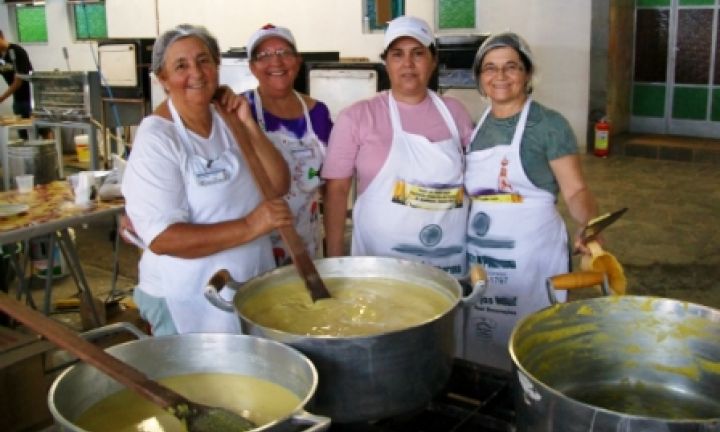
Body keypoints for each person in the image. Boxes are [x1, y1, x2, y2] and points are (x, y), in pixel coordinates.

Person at [121, 24, 292, 335]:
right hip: (185, 294)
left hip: (246, 282)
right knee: (199, 382)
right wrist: (251, 225)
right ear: (163, 79)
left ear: (217, 66)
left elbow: (278, 184)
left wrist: (248, 125)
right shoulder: (157, 139)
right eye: (181, 66)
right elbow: (162, 238)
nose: (196, 73)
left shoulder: (227, 116)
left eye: (204, 61)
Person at [463, 32, 600, 369]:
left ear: (527, 73)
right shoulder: (473, 128)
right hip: (483, 251)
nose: (500, 76)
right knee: (483, 331)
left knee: (532, 338)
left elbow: (576, 190)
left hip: (532, 251)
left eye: (511, 67)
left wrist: (589, 227)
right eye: (490, 69)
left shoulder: (549, 125)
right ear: (480, 79)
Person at [321, 15, 475, 278]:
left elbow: (476, 177)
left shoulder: (455, 112)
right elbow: (336, 193)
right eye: (397, 54)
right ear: (386, 62)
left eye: (418, 53)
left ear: (433, 60)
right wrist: (335, 265)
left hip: (446, 262)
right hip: (379, 265)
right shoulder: (358, 117)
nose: (408, 64)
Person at [243, 24, 333, 265]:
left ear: (298, 60)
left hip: (307, 241)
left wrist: (333, 247)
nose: (276, 62)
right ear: (252, 67)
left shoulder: (318, 113)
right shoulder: (240, 109)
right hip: (256, 244)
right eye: (263, 55)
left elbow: (331, 183)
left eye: (284, 52)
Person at [0, 30, 33, 138]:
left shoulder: (17, 52)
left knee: (41, 129)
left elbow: (18, 81)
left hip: (30, 98)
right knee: (22, 132)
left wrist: (2, 98)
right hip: (17, 100)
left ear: (1, 37)